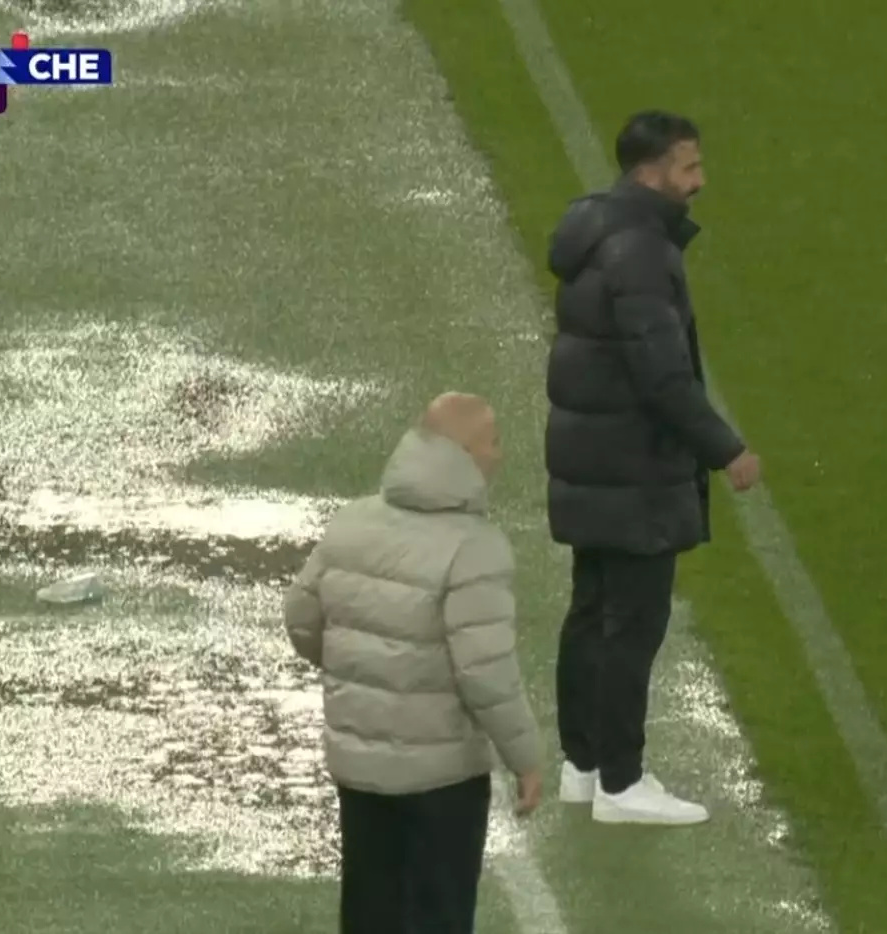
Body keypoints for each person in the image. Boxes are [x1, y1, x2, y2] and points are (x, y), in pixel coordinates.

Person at [543, 110, 762, 825]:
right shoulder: (640, 251)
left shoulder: (595, 231)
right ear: (651, 172)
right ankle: (620, 782)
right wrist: (726, 449)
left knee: (590, 614)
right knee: (630, 625)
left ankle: (581, 766)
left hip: (590, 459)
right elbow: (663, 374)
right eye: (688, 168)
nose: (699, 182)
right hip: (632, 467)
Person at [283, 392, 545, 934]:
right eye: (492, 441)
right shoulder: (474, 547)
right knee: (437, 918)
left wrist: (361, 675)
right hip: (441, 779)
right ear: (466, 455)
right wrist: (526, 758)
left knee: (368, 914)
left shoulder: (351, 522)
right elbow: (485, 672)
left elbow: (301, 618)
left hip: (360, 767)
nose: (500, 454)